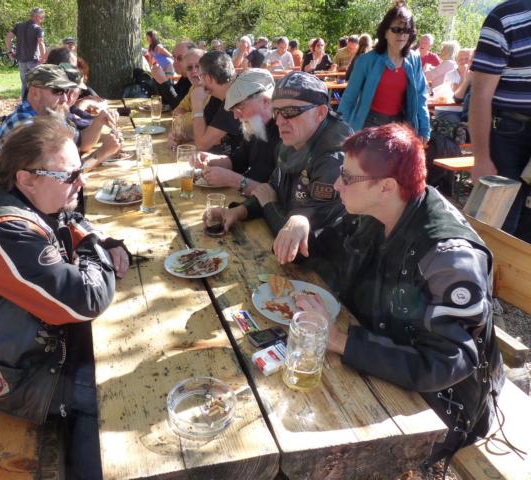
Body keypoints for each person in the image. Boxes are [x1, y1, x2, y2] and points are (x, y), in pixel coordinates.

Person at [283, 123, 503, 474]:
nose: (337, 184)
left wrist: (338, 339)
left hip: (440, 405)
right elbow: (324, 250)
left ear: (385, 186)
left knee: (301, 437)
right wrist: (300, 220)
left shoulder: (448, 258)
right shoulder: (381, 209)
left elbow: (447, 364)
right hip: (376, 354)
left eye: (347, 176)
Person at [0, 116, 130, 480]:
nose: (81, 181)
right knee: (108, 394)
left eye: (80, 170)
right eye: (70, 175)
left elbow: (68, 218)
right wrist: (96, 247)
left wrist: (96, 240)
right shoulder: (4, 234)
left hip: (0, 347)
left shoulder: (11, 193)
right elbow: (86, 299)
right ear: (27, 178)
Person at [203, 71, 350, 238]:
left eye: (290, 111)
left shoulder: (333, 161)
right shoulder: (294, 140)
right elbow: (272, 188)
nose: (279, 121)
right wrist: (238, 211)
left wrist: (269, 205)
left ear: (320, 113)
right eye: (277, 112)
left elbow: (298, 240)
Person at [470, 0, 531, 243]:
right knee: (497, 223)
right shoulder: (505, 17)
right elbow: (480, 94)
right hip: (509, 134)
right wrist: (481, 159)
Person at [0, 64, 119, 168]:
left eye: (66, 91)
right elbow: (67, 176)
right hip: (17, 194)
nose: (65, 98)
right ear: (35, 93)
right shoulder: (28, 127)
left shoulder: (48, 115)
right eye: (58, 91)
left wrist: (99, 121)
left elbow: (82, 142)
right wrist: (102, 153)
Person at [338, 3, 430, 141]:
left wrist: (424, 130)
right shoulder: (365, 61)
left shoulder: (414, 60)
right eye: (396, 29)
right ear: (385, 32)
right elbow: (349, 99)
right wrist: (340, 132)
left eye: (407, 30)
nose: (402, 34)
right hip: (369, 124)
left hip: (400, 126)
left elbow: (421, 97)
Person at [195, 68, 281, 194]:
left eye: (240, 107)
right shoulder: (256, 126)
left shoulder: (285, 132)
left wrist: (234, 181)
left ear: (265, 101)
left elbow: (279, 195)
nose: (235, 116)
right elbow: (238, 162)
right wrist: (211, 159)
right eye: (233, 110)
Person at [190, 51, 242, 155]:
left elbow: (202, 145)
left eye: (200, 76)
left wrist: (197, 105)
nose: (200, 82)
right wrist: (181, 135)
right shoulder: (219, 94)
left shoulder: (236, 98)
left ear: (208, 78)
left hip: (242, 163)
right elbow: (203, 130)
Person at [6, 7, 47, 101]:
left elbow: (8, 38)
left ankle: (24, 103)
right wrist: (43, 57)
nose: (42, 20)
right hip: (34, 61)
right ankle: (36, 103)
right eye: (42, 17)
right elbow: (41, 43)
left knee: (24, 84)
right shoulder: (37, 29)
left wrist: (9, 52)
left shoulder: (19, 26)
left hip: (21, 61)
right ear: (36, 17)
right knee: (37, 84)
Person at [150, 40, 195, 109]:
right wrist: (158, 80)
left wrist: (164, 82)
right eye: (174, 57)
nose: (175, 62)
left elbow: (179, 106)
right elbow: (166, 100)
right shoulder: (184, 78)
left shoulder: (197, 80)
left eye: (180, 58)